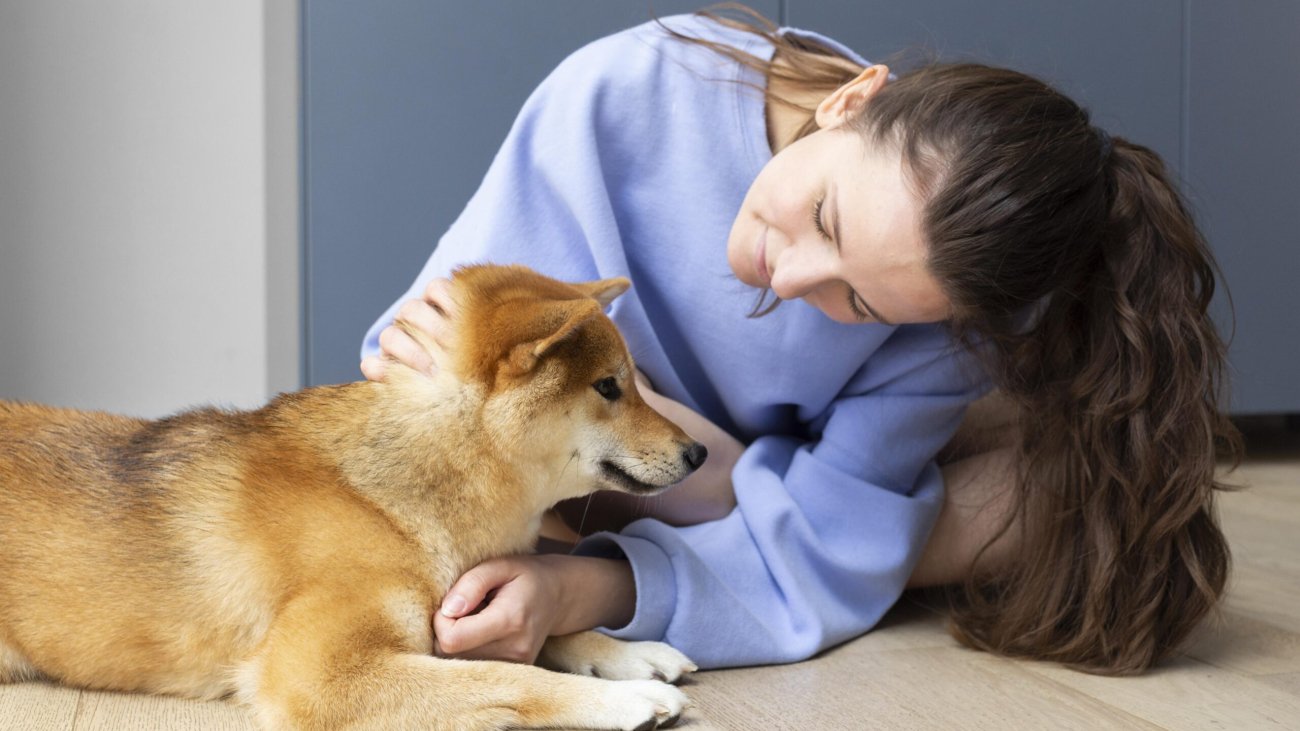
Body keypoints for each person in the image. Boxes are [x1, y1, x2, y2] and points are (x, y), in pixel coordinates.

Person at [359, 7, 1239, 675]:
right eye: (824, 213)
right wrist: (715, 473)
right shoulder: (632, 89)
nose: (785, 278)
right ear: (852, 102)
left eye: (854, 296)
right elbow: (431, 364)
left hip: (720, 465)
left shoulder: (944, 327)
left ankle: (776, 530)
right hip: (631, 455)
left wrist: (585, 589)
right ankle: (777, 529)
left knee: (1055, 481)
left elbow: (825, 521)